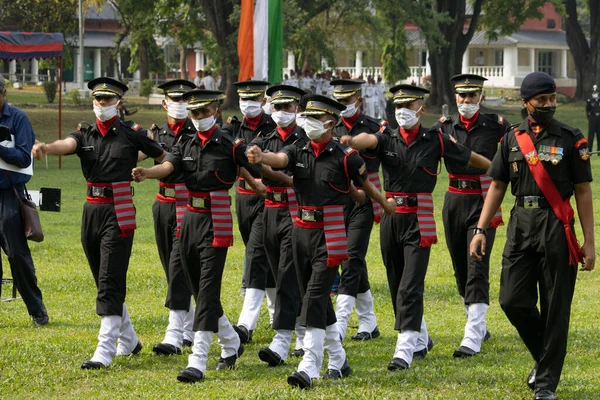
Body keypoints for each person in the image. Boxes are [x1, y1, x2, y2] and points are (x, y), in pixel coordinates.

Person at [131, 89, 282, 383]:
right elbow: (169, 165)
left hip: (217, 219)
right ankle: (231, 341)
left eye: (204, 112)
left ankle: (197, 359)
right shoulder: (185, 142)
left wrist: (263, 161)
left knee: (208, 288)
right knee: (199, 291)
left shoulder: (229, 142)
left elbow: (254, 163)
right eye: (194, 114)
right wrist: (148, 174)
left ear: (215, 111)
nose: (199, 118)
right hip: (189, 218)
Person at [247, 95, 396, 389]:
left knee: (315, 297)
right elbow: (280, 160)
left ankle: (310, 364)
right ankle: (338, 360)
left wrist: (384, 204)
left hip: (330, 235)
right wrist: (262, 156)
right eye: (308, 117)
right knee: (312, 298)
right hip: (299, 231)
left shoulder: (346, 156)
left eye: (315, 118)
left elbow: (364, 185)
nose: (309, 123)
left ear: (331, 122)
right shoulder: (298, 149)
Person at [340, 85, 491, 372]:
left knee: (411, 285)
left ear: (420, 108)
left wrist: (498, 169)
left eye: (409, 106)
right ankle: (420, 339)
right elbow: (367, 139)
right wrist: (352, 140)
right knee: (397, 283)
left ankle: (405, 349)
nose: (402, 112)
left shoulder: (436, 139)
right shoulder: (387, 138)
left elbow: (470, 157)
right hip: (391, 217)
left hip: (419, 219)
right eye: (398, 106)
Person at [470, 71, 595, 400]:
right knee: (512, 299)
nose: (549, 105)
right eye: (542, 100)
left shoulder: (571, 138)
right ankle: (546, 360)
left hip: (556, 227)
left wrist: (590, 242)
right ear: (526, 103)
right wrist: (481, 229)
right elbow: (497, 184)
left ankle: (545, 384)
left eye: (552, 99)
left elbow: (583, 191)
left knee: (556, 307)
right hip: (520, 225)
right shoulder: (511, 139)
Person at [32, 77, 167, 368]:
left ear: (118, 102)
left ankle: (105, 350)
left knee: (109, 278)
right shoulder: (86, 132)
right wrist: (46, 147)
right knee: (102, 276)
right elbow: (67, 144)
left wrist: (152, 172)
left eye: (107, 99)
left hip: (119, 208)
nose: (102, 104)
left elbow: (165, 157)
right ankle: (129, 339)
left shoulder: (133, 133)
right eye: (98, 99)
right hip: (91, 209)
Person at [433, 74, 510, 358]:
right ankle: (478, 322)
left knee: (477, 264)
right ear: (455, 98)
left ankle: (472, 334)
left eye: (472, 96)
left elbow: (519, 147)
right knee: (460, 269)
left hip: (484, 200)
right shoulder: (443, 127)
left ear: (481, 97)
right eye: (462, 97)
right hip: (453, 200)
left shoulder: (496, 126)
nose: (467, 101)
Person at [252, 85, 308, 367]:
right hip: (270, 210)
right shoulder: (264, 138)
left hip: (296, 210)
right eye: (277, 107)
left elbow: (295, 175)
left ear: (297, 108)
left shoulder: (306, 138)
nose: (282, 113)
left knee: (287, 272)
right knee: (280, 273)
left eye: (287, 107)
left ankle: (282, 340)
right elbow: (251, 173)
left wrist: (269, 169)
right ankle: (303, 332)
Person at [222, 80, 277, 344]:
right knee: (261, 254)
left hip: (267, 197)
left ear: (264, 101)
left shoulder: (273, 127)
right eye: (244, 99)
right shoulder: (232, 126)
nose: (248, 104)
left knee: (255, 254)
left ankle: (245, 325)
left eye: (254, 99)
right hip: (243, 197)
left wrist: (260, 184)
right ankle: (279, 313)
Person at [145, 79, 197, 356]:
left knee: (178, 266)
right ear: (164, 103)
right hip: (162, 204)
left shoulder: (195, 132)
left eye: (184, 99)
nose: (179, 105)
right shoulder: (156, 133)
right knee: (172, 268)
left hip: (187, 205)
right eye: (173, 100)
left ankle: (174, 334)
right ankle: (190, 325)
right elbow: (138, 151)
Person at [330, 79, 382, 342]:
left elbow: (377, 147)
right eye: (338, 102)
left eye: (347, 101)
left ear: (358, 101)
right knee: (351, 259)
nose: (342, 107)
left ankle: (340, 323)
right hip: (338, 198)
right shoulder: (329, 125)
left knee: (351, 257)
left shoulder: (374, 127)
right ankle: (369, 323)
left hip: (365, 198)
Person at [0, 73, 48, 326]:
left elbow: (23, 158)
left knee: (17, 255)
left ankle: (37, 311)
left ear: (4, 94)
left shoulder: (18, 118)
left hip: (9, 194)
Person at [586, 84, 600, 152]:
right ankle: (589, 150)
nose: (594, 94)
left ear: (598, 93)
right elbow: (587, 110)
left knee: (599, 134)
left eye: (596, 93)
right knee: (591, 135)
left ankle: (599, 150)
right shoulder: (590, 101)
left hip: (599, 118)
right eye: (593, 93)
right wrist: (590, 118)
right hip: (592, 118)